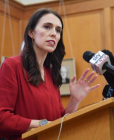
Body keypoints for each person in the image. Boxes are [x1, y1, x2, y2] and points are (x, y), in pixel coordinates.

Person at [0, 8, 100, 140]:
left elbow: (58, 123)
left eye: (58, 30)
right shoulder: (12, 66)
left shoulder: (51, 73)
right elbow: (2, 118)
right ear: (31, 32)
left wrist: (74, 100)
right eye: (47, 27)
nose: (54, 34)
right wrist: (42, 124)